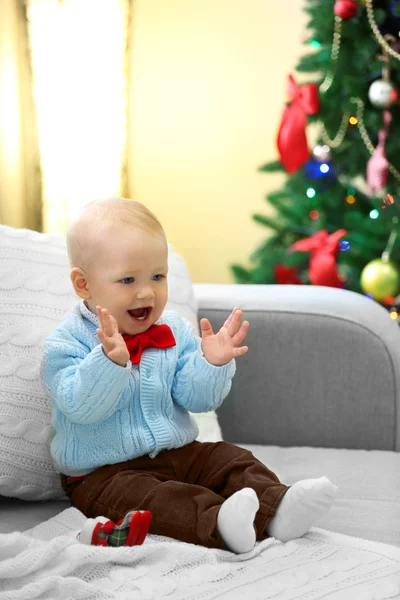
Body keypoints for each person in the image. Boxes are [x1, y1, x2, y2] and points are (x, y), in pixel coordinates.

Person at [40, 197, 338, 554]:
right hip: (103, 474)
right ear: (83, 284)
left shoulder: (174, 330)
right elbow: (80, 407)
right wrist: (108, 362)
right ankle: (220, 523)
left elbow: (196, 399)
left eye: (158, 276)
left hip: (178, 452)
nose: (147, 291)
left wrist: (210, 363)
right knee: (159, 498)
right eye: (128, 279)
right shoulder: (64, 343)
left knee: (229, 459)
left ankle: (278, 508)